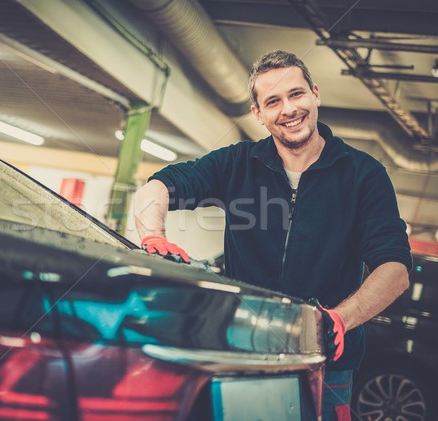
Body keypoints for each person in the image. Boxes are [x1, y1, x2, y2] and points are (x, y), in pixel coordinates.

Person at [133, 50, 411, 420]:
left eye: (296, 94)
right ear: (259, 114)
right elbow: (159, 187)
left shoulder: (363, 175)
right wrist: (153, 235)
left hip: (325, 364)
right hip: (240, 352)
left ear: (315, 93)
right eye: (273, 101)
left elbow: (395, 268)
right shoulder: (236, 164)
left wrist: (341, 318)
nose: (289, 109)